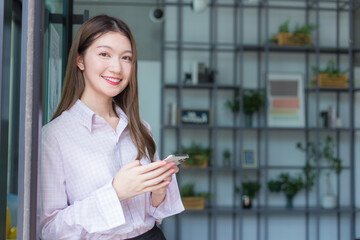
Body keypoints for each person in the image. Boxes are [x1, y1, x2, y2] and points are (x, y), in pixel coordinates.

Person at [39, 14, 184, 239]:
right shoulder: (53, 137)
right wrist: (115, 193)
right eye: (104, 54)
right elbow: (49, 230)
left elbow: (155, 214)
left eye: (126, 58)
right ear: (80, 60)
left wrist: (159, 191)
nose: (116, 67)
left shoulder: (141, 128)